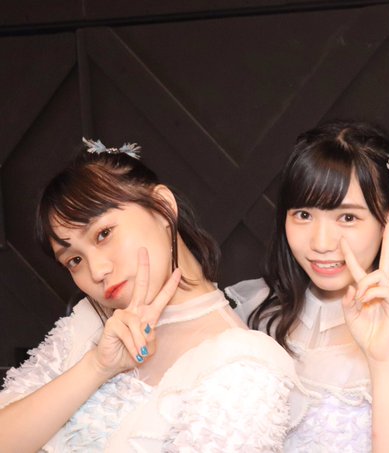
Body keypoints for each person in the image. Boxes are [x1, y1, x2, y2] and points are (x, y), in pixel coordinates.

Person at [0, 140, 304, 452]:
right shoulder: (90, 322)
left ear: (162, 207)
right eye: (74, 260)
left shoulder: (243, 366)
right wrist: (97, 367)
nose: (98, 270)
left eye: (103, 234)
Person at [226, 121, 389, 452]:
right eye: (303, 215)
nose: (321, 243)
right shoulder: (258, 314)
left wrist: (383, 362)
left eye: (347, 218)